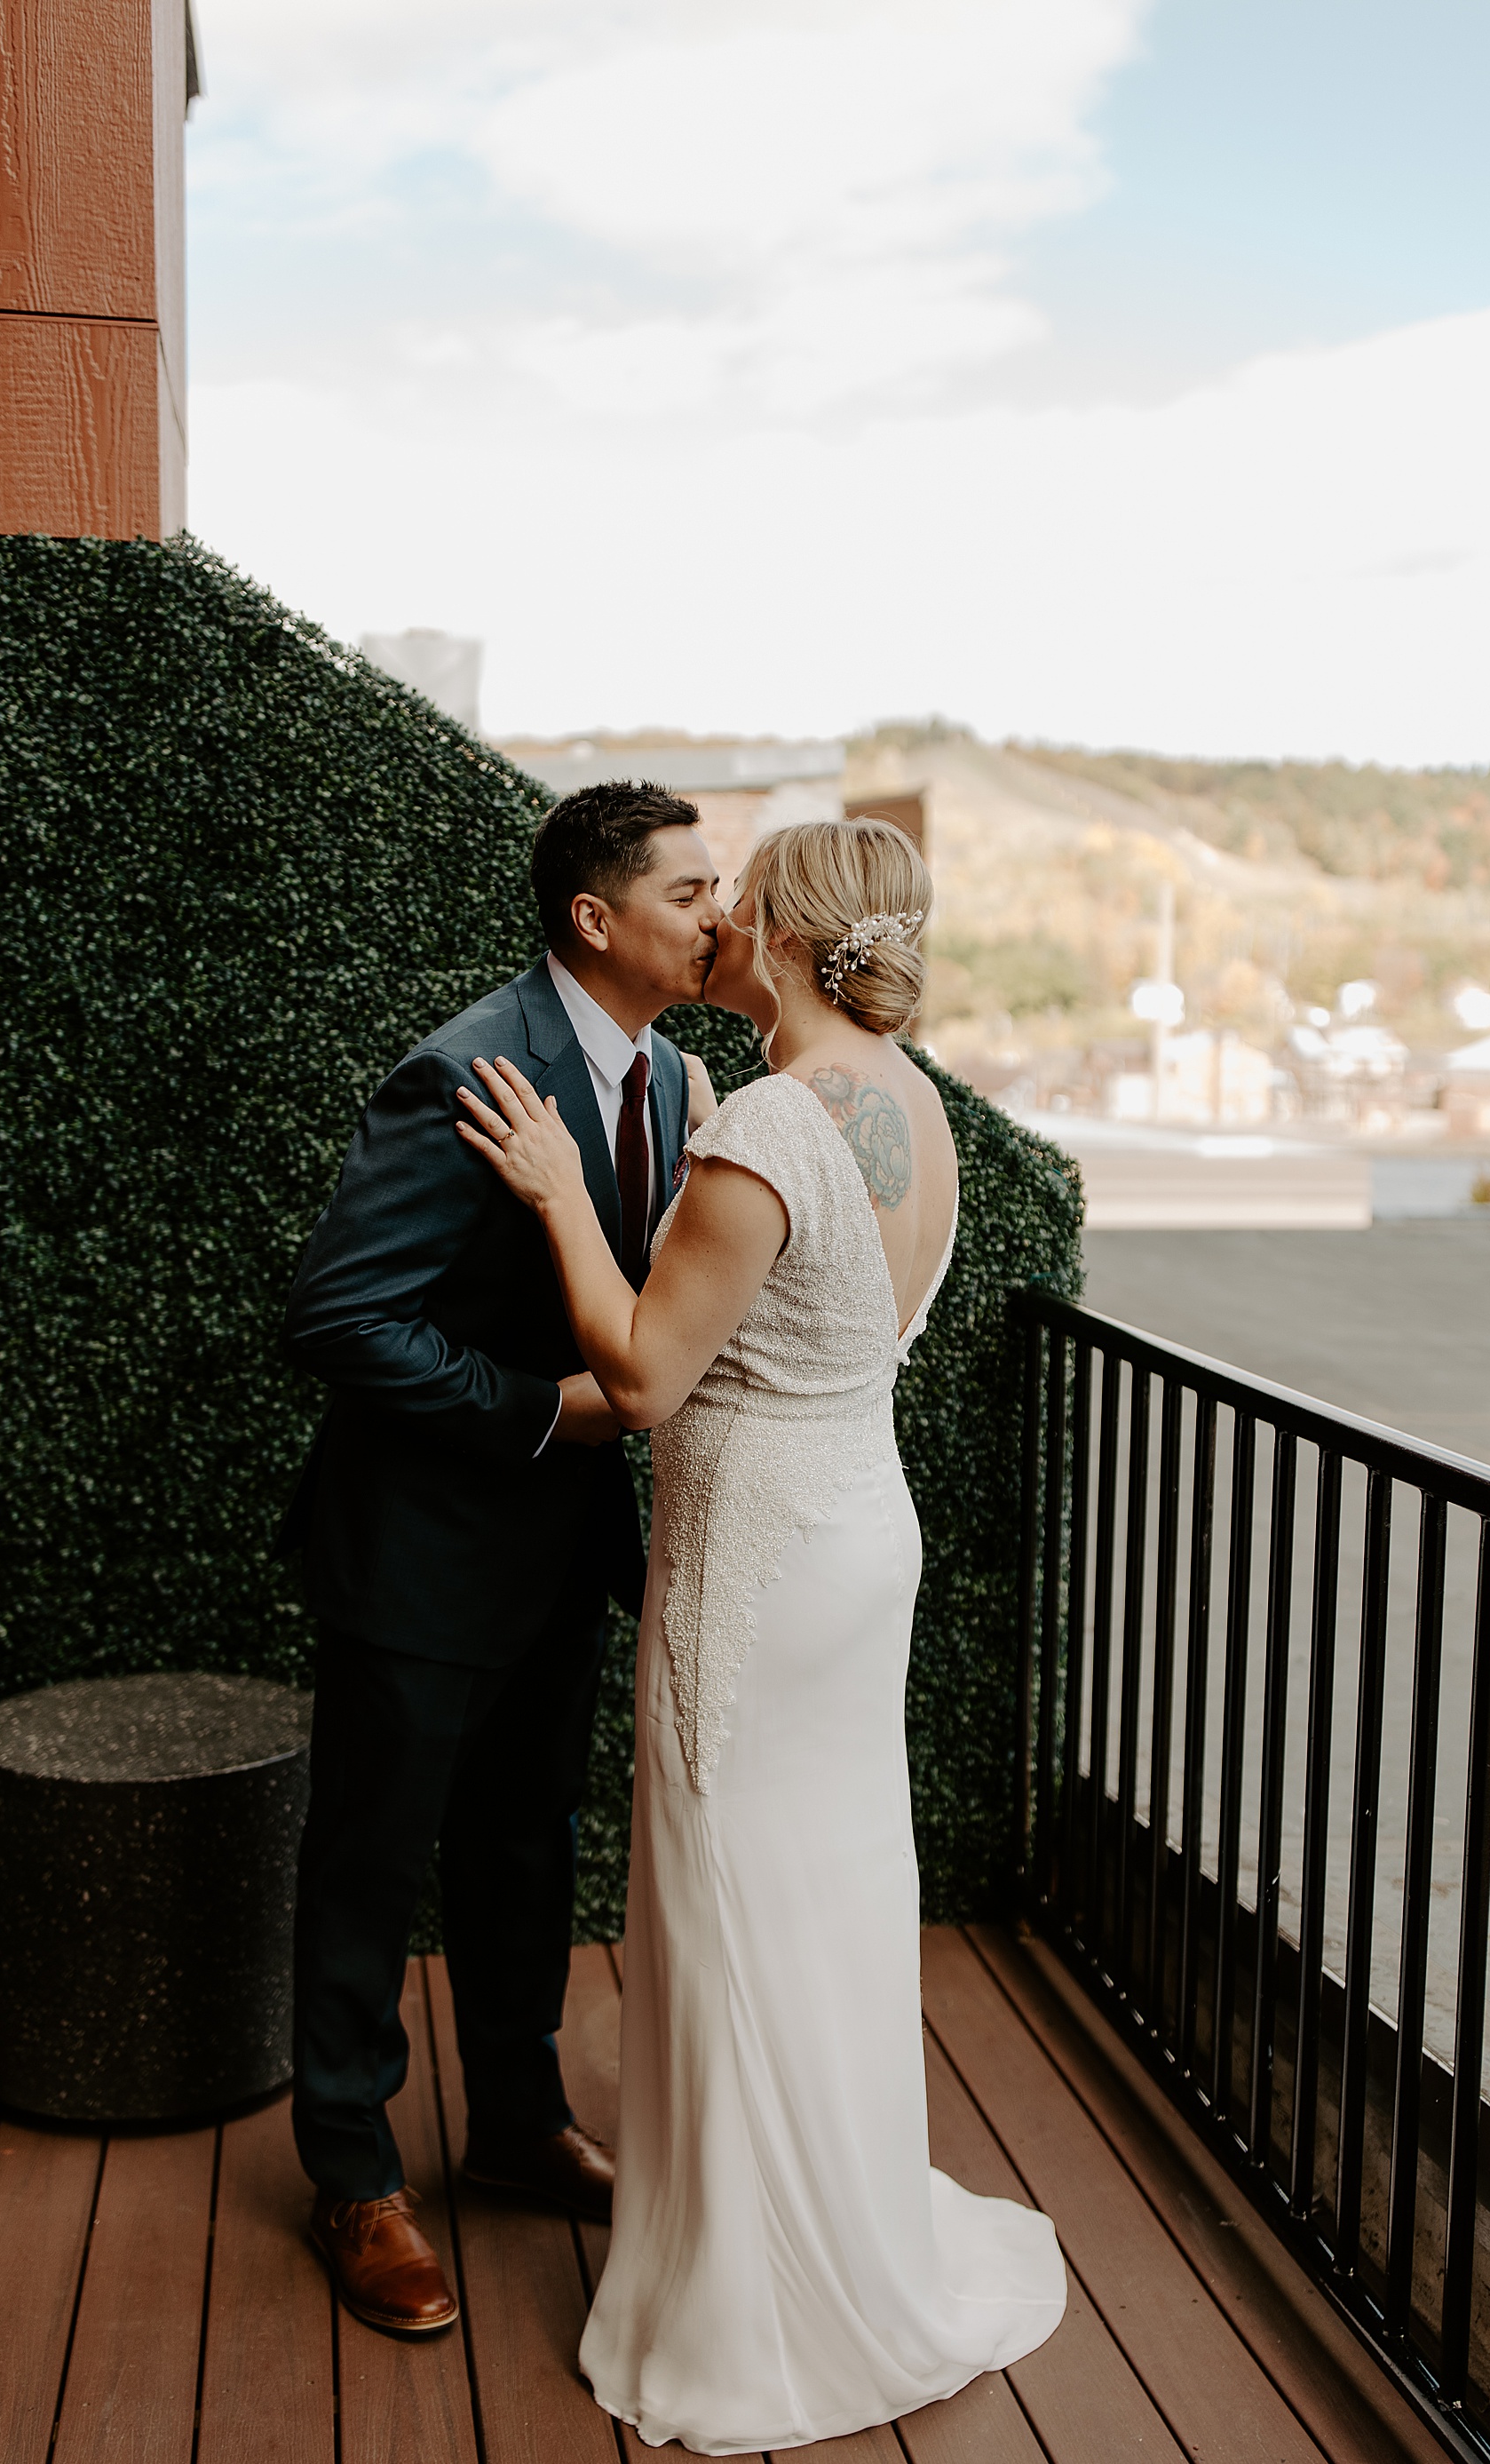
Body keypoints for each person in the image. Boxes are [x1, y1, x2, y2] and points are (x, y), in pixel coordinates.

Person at [455, 815, 1066, 2452]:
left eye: (738, 898)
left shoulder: (769, 1131)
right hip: (857, 1542)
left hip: (758, 1573)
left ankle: (751, 2293)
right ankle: (831, 2216)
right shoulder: (914, 1107)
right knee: (831, 1892)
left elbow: (647, 1374)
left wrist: (557, 1196)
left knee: (728, 1896)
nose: (712, 915)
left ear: (785, 932)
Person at [278, 781, 721, 2335]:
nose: (714, 916)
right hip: (417, 1555)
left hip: (563, 1557)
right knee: (371, 1865)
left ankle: (518, 2125)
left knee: (527, 1856)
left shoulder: (677, 1079)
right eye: (688, 892)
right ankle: (351, 2170)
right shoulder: (464, 1067)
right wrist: (543, 1409)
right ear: (596, 920)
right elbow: (336, 1315)